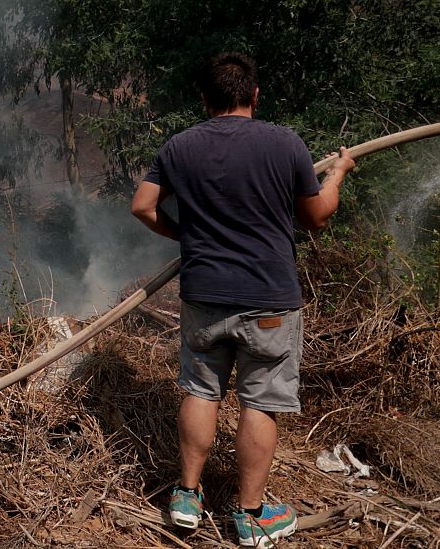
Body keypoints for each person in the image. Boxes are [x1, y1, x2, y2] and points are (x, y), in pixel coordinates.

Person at [130, 53, 355, 548]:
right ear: (254, 96)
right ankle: (250, 516)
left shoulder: (180, 146)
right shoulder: (285, 143)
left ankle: (187, 497)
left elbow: (142, 206)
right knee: (261, 402)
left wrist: (183, 235)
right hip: (268, 302)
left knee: (200, 389)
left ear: (205, 100)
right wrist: (338, 173)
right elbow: (316, 217)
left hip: (204, 295)